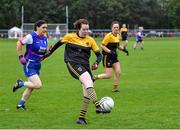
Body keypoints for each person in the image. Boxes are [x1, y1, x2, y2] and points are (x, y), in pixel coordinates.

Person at [44, 18, 109, 125]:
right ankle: (98, 105)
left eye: (87, 29)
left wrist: (97, 62)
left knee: (87, 91)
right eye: (84, 29)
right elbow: (57, 45)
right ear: (78, 28)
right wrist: (47, 55)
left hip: (85, 66)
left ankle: (81, 118)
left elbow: (99, 55)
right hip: (72, 63)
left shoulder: (90, 40)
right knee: (88, 81)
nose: (86, 31)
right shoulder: (70, 37)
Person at [12, 20, 48, 110]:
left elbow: (41, 53)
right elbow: (19, 43)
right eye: (43, 27)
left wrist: (47, 53)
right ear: (37, 27)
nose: (45, 29)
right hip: (29, 64)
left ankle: (20, 105)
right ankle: (20, 83)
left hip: (38, 65)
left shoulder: (45, 38)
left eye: (46, 27)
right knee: (38, 85)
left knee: (31, 87)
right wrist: (20, 56)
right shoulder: (31, 36)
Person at [94, 21, 129, 92]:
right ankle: (94, 77)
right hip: (107, 57)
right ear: (112, 28)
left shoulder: (118, 35)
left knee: (118, 72)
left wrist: (124, 50)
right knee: (108, 75)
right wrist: (110, 51)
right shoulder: (108, 36)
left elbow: (118, 46)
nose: (116, 29)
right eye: (114, 27)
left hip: (114, 57)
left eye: (117, 27)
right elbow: (102, 46)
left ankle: (115, 89)